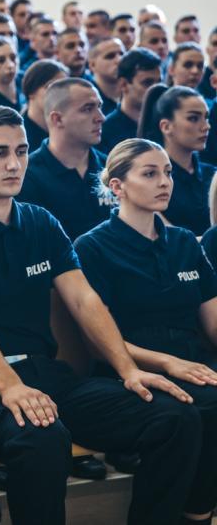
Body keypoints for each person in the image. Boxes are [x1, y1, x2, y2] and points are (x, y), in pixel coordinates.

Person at [0, 104, 201, 525]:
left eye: (22, 150)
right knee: (42, 436)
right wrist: (10, 387)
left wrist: (127, 369)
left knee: (174, 416)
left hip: (48, 376)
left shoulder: (41, 222)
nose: (14, 163)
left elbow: (85, 301)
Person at [75, 138, 217, 525]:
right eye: (150, 173)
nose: (164, 182)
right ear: (118, 186)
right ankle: (195, 515)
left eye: (168, 172)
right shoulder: (93, 247)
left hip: (194, 362)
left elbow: (213, 321)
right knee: (204, 407)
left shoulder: (185, 241)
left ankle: (197, 512)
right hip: (131, 369)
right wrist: (170, 363)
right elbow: (101, 342)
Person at [19, 78, 114, 241]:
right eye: (88, 109)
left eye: (99, 107)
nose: (101, 118)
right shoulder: (27, 176)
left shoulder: (112, 167)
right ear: (57, 119)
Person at [138, 83, 214, 235]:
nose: (206, 126)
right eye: (193, 118)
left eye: (206, 117)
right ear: (166, 126)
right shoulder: (148, 177)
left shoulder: (213, 174)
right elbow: (166, 235)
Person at [99, 48, 162, 154]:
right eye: (147, 83)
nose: (155, 89)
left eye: (159, 82)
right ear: (123, 84)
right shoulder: (105, 131)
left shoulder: (164, 126)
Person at [21, 59, 68, 152]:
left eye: (65, 88)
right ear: (31, 92)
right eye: (51, 86)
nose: (60, 95)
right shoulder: (18, 135)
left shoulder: (68, 130)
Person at [88, 37, 126, 116]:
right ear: (92, 65)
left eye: (122, 54)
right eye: (110, 56)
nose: (119, 60)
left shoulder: (134, 92)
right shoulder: (87, 98)